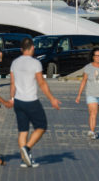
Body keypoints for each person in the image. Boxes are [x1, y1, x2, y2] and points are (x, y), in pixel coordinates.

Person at [10, 38, 61, 168]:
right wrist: (52, 99)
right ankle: (27, 148)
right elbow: (41, 83)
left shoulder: (14, 63)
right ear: (32, 48)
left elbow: (12, 84)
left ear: (21, 49)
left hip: (18, 101)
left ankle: (24, 160)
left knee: (23, 131)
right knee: (42, 126)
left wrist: (11, 98)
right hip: (31, 101)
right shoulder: (35, 63)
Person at [75, 47, 99, 140]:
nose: (98, 57)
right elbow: (84, 81)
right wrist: (79, 95)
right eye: (96, 56)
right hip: (91, 93)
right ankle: (92, 132)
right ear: (93, 57)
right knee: (93, 113)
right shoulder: (88, 67)